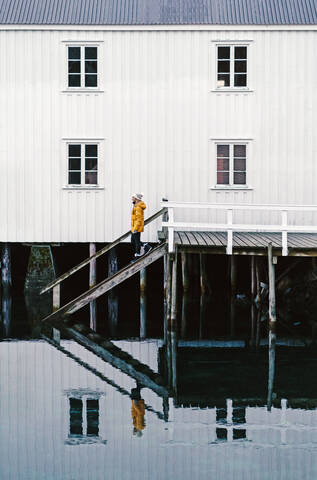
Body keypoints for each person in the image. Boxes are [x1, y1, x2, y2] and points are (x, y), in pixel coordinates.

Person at [131, 193, 152, 260]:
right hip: (134, 226)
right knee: (133, 241)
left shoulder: (138, 207)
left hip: (136, 227)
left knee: (136, 241)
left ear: (136, 199)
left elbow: (139, 219)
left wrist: (135, 228)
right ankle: (145, 246)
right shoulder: (136, 205)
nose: (132, 198)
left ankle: (138, 255)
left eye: (133, 197)